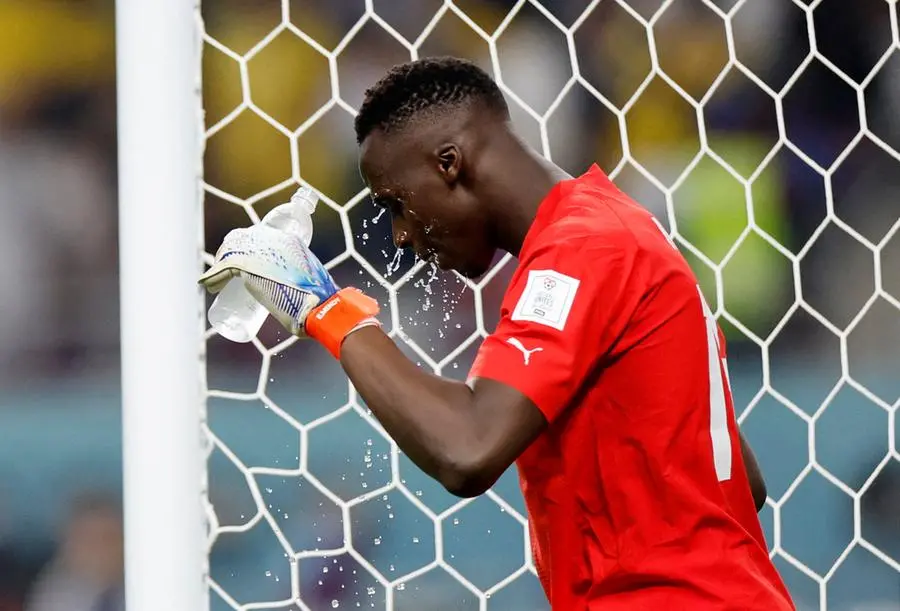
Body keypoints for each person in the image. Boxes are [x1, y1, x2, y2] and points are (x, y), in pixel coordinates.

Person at [201, 56, 794, 610]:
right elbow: (745, 481)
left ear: (449, 163)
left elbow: (468, 449)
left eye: (396, 204)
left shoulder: (582, 249)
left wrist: (324, 310)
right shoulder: (615, 230)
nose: (402, 234)